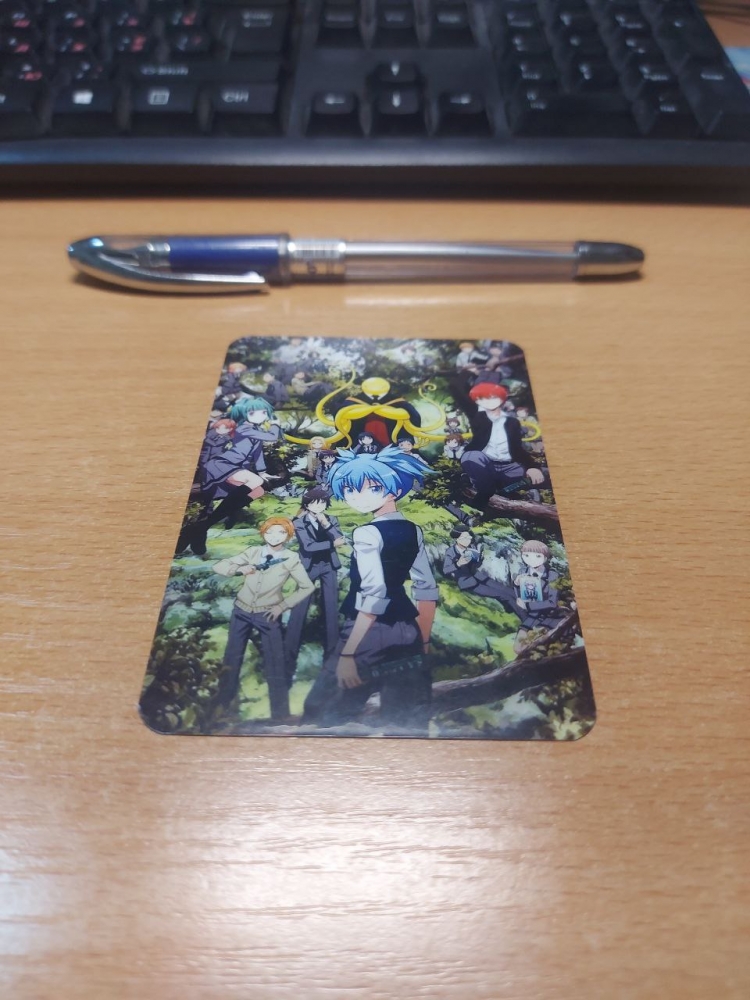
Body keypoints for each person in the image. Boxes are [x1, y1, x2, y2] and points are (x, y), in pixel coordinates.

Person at [302, 446, 438, 731]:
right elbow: (426, 588)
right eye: (350, 490)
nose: (357, 496)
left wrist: (349, 653)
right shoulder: (414, 530)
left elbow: (374, 593)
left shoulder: (366, 533)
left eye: (372, 488)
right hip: (408, 630)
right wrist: (423, 642)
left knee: (321, 711)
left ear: (394, 490)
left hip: (368, 632)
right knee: (405, 718)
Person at [213, 517, 314, 720]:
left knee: (275, 662)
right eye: (269, 532)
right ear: (263, 533)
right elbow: (218, 566)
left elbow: (307, 587)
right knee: (231, 658)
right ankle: (221, 709)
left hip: (268, 614)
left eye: (281, 533)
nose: (274, 537)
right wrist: (237, 569)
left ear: (288, 536)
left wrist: (282, 606)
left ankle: (280, 715)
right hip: (241, 611)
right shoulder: (252, 552)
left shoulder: (291, 558)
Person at [450, 371, 545, 510]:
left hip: (509, 467)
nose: (488, 401)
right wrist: (468, 372)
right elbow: (455, 387)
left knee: (543, 473)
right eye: (482, 398)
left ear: (501, 398)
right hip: (485, 464)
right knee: (471, 456)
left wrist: (532, 467)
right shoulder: (477, 416)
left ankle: (505, 490)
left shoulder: (512, 422)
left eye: (492, 396)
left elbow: (517, 449)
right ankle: (486, 491)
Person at [284, 486, 346, 684]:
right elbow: (308, 546)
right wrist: (332, 544)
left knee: (331, 611)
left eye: (322, 503)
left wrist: (326, 524)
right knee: (299, 610)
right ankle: (287, 662)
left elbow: (340, 539)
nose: (318, 506)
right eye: (313, 503)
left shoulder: (331, 519)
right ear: (306, 504)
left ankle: (332, 663)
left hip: (329, 566)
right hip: (308, 566)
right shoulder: (298, 522)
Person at [512, 539, 571, 653]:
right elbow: (519, 596)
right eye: (526, 555)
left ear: (545, 558)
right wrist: (516, 585)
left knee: (539, 648)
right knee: (518, 649)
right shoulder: (523, 571)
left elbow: (552, 603)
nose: (532, 559)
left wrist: (528, 606)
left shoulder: (552, 575)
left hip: (550, 615)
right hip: (532, 616)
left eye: (537, 556)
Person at [442, 529, 517, 612]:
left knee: (509, 591)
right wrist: (458, 564)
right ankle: (523, 617)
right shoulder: (450, 552)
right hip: (467, 582)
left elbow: (476, 565)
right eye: (464, 538)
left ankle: (514, 608)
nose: (468, 540)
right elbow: (446, 570)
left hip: (479, 576)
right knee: (505, 596)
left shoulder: (471, 548)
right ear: (456, 539)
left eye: (469, 538)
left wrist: (479, 559)